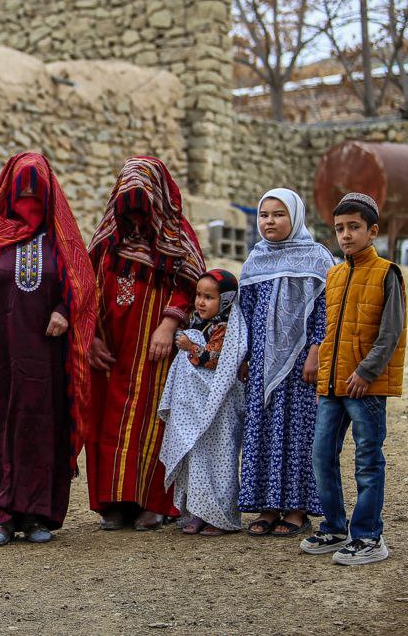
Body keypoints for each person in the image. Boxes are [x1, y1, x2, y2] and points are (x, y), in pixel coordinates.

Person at [0, 153, 97, 545]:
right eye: (23, 186)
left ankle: (37, 515)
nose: (29, 195)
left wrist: (64, 310)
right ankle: (3, 514)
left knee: (40, 425)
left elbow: (82, 280)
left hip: (45, 353)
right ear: (9, 189)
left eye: (37, 187)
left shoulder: (60, 237)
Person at [86, 156, 205, 532]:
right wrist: (88, 337)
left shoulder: (177, 236)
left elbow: (194, 287)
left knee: (154, 418)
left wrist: (169, 324)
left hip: (155, 344)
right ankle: (114, 501)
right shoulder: (106, 236)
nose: (135, 207)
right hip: (110, 344)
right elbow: (84, 287)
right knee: (107, 418)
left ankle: (153, 502)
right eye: (128, 196)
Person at [301, 192, 407, 566]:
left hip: (366, 386)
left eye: (354, 228)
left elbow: (390, 332)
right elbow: (330, 332)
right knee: (322, 455)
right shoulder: (335, 273)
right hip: (332, 385)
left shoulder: (387, 273)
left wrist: (366, 371)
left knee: (367, 459)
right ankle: (333, 526)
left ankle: (368, 536)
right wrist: (324, 379)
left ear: (372, 231)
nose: (345, 235)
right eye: (340, 229)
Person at [233, 188, 335, 539]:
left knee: (296, 433)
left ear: (295, 217)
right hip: (260, 362)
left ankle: (296, 510)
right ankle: (266, 507)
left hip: (300, 363)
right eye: (264, 215)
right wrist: (243, 355)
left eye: (279, 214)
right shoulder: (255, 259)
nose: (270, 221)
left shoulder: (317, 257)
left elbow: (327, 308)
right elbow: (243, 315)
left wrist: (317, 349)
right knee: (262, 430)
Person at [158, 269, 245, 536]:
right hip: (193, 409)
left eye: (209, 297)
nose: (200, 302)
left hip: (219, 409)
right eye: (198, 295)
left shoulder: (229, 328)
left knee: (220, 459)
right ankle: (196, 512)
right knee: (195, 458)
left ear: (227, 300)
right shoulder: (197, 324)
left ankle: (219, 516)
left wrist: (190, 348)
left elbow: (220, 360)